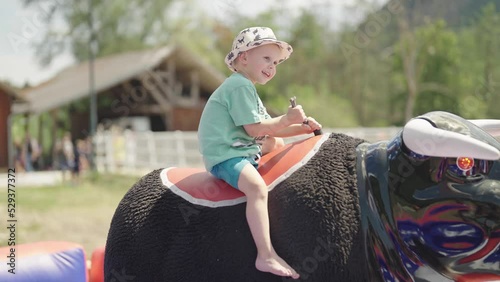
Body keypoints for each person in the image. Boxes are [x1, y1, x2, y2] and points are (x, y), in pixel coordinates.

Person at [198, 27, 322, 279]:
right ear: (244, 58)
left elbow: (270, 129)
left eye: (275, 62)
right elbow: (256, 129)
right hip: (227, 154)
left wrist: (304, 127)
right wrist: (287, 119)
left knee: (276, 144)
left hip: (243, 148)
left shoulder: (247, 88)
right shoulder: (238, 86)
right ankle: (264, 254)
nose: (272, 67)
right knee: (256, 188)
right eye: (266, 58)